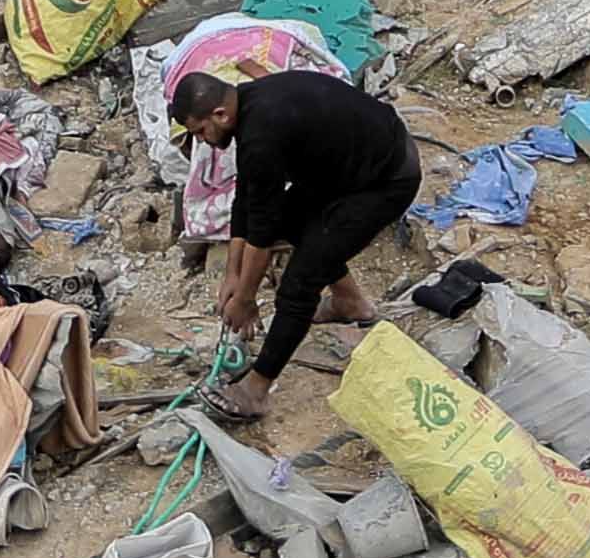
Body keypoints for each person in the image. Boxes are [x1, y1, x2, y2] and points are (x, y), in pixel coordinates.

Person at [172, 55, 421, 424]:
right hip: (346, 167)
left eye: (200, 132)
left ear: (221, 114)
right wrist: (232, 276)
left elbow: (261, 232)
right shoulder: (254, 101)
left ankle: (257, 390)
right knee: (295, 224)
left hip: (385, 179)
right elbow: (249, 200)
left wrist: (245, 299)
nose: (203, 142)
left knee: (300, 283)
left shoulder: (262, 134)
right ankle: (350, 303)